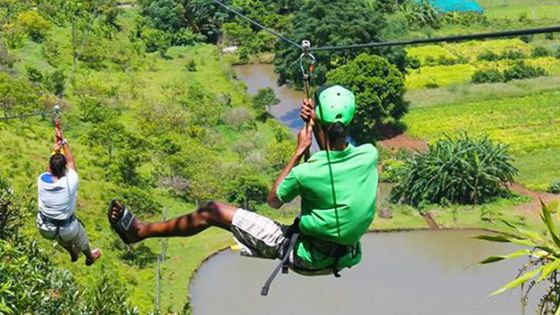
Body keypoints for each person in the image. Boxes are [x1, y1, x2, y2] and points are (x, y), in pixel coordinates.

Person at [108, 85, 378, 276]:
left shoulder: (305, 172)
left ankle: (139, 232)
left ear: (318, 120)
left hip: (306, 255)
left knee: (212, 211)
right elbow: (331, 157)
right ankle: (140, 231)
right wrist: (315, 124)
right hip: (345, 254)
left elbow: (274, 200)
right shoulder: (368, 155)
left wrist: (298, 152)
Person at [36, 126, 101, 266]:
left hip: (45, 228)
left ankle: (71, 251)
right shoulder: (70, 181)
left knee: (59, 235)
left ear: (51, 168)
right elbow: (71, 161)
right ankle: (90, 256)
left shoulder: (42, 179)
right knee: (80, 237)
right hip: (67, 228)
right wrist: (63, 141)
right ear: (64, 167)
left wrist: (55, 149)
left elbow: (50, 168)